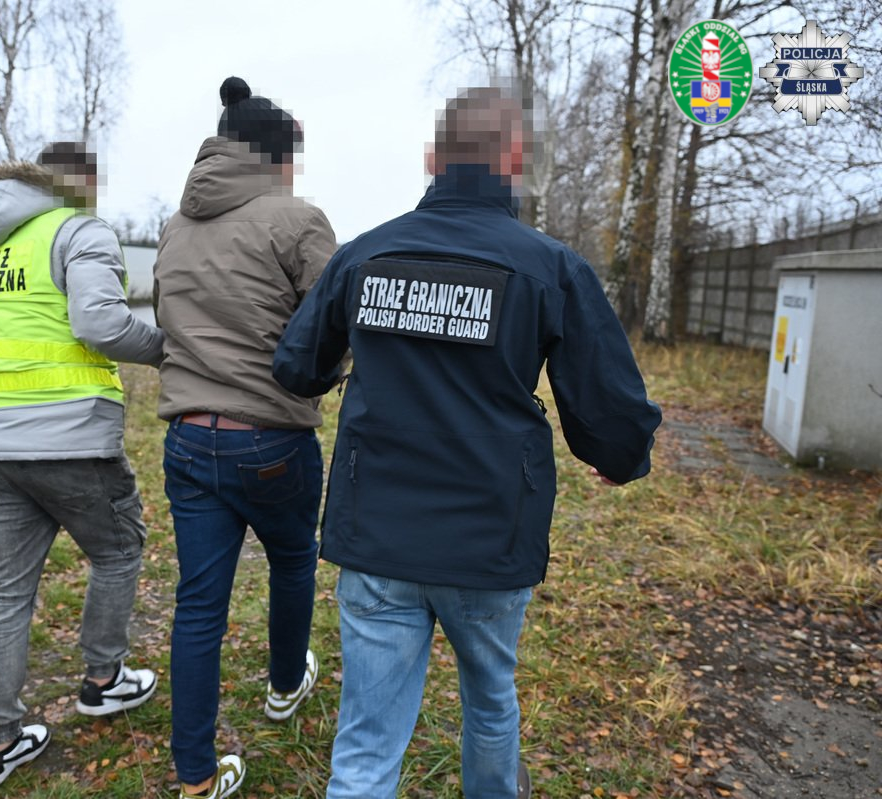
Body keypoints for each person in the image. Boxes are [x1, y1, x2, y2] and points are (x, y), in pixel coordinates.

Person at [273, 86, 663, 799]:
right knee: (489, 699)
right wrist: (621, 458)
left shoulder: (366, 253)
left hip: (378, 534)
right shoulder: (550, 266)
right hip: (489, 537)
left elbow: (296, 367)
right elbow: (610, 401)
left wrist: (348, 362)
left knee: (366, 737)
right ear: (514, 159)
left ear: (433, 158)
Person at [0, 143, 164, 790]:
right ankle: (103, 678)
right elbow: (98, 322)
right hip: (67, 435)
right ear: (82, 182)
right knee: (119, 551)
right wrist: (164, 349)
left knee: (5, 590)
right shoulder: (77, 227)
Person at [153, 76, 338, 799]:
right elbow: (333, 324)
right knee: (294, 563)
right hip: (274, 439)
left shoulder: (175, 224)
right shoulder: (296, 219)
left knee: (198, 603)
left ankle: (195, 774)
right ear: (274, 157)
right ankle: (285, 684)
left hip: (190, 440)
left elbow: (169, 318)